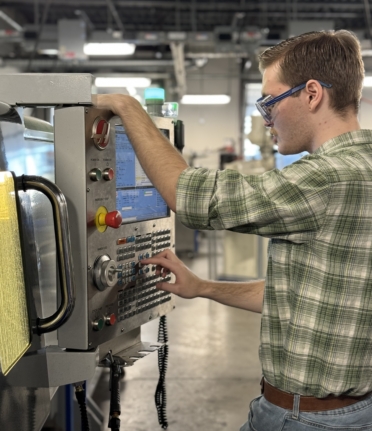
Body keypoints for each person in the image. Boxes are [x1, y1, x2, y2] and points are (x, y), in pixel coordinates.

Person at [97, 29, 372, 430]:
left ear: (312, 94)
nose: (266, 119)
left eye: (270, 102)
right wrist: (203, 287)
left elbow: (190, 195)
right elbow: (301, 296)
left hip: (307, 419)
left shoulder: (327, 178)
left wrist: (126, 107)